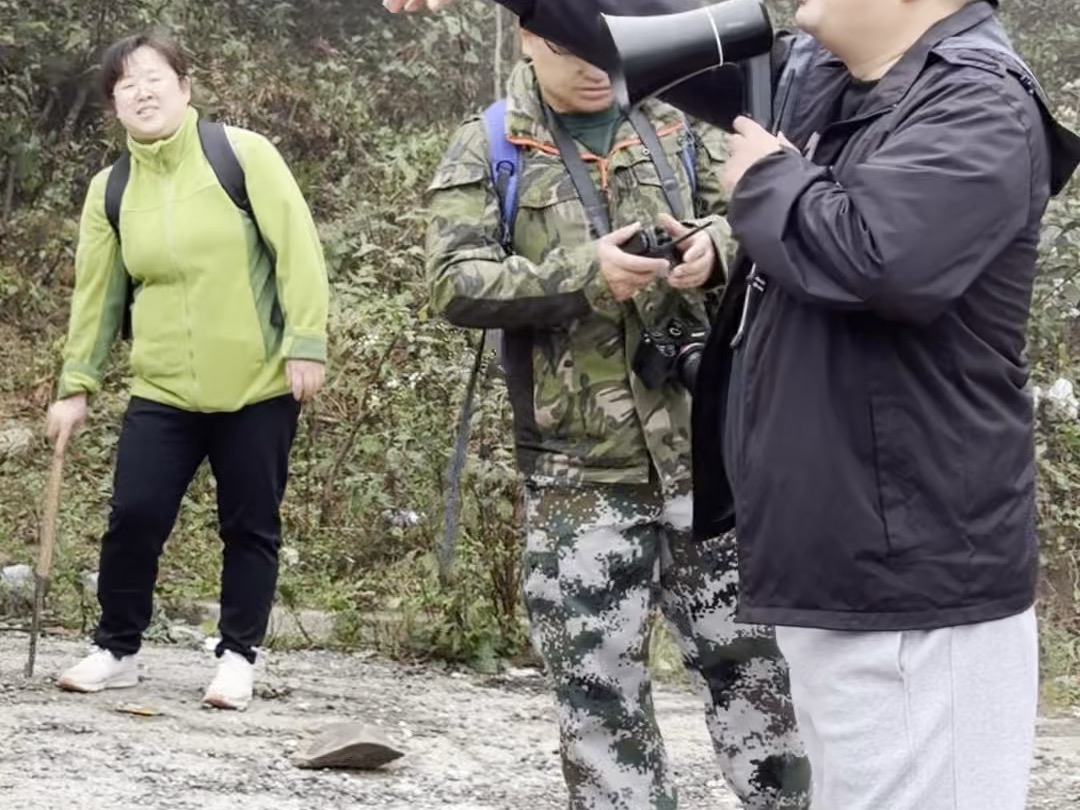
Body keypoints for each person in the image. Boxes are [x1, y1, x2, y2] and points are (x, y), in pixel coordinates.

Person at [395, 0, 1080, 808]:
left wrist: (752, 196)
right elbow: (630, 26)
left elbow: (881, 261)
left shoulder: (975, 100)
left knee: (794, 741)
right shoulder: (828, 81)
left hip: (914, 587)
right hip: (817, 555)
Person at [424, 22, 809, 810]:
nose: (600, 69)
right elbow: (454, 281)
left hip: (709, 462)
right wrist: (585, 273)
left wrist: (716, 249)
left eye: (611, 48)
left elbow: (763, 211)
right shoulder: (490, 146)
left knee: (760, 681)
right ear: (531, 38)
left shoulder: (678, 119)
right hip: (579, 476)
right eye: (575, 50)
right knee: (599, 697)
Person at [44, 31, 330, 711]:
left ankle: (237, 656)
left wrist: (306, 341)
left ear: (184, 86)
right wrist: (75, 384)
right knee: (135, 516)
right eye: (126, 84)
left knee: (250, 522)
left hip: (258, 382)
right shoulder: (110, 191)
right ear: (113, 104)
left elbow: (298, 250)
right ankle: (117, 648)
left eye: (154, 77)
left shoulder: (241, 155)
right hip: (163, 386)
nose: (142, 92)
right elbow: (97, 296)